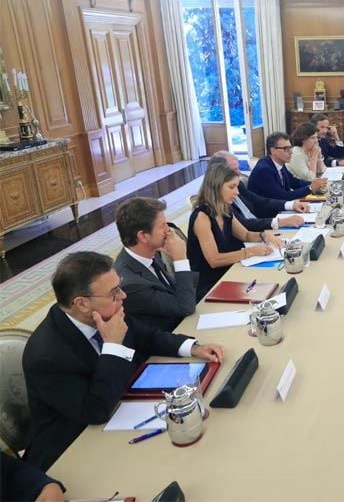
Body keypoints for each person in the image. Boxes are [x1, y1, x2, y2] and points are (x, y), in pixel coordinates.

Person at [22, 251, 225, 471]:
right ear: (81, 303)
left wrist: (192, 347)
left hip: (122, 409)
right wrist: (113, 346)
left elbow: (146, 336)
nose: (123, 296)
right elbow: (95, 411)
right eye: (114, 292)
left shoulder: (107, 310)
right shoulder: (46, 357)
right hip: (73, 449)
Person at [188, 163, 283, 300]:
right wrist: (250, 252)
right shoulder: (201, 217)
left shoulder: (224, 209)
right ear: (215, 187)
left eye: (237, 186)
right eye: (231, 187)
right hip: (210, 284)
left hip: (230, 271)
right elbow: (214, 260)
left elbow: (244, 234)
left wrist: (264, 235)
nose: (237, 192)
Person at [113, 197, 198, 332]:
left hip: (185, 323)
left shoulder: (152, 252)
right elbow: (185, 307)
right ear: (143, 236)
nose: (169, 230)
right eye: (162, 225)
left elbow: (180, 293)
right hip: (170, 338)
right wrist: (180, 258)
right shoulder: (130, 284)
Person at [207, 153, 304, 232]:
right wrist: (280, 222)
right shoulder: (218, 200)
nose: (239, 173)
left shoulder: (238, 184)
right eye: (235, 170)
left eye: (238, 168)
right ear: (219, 174)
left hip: (260, 228)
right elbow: (244, 224)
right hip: (251, 235)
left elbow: (258, 200)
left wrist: (291, 205)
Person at [248, 132, 327, 201]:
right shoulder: (264, 170)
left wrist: (317, 183)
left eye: (290, 147)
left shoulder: (280, 163)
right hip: (268, 215)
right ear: (273, 151)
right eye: (286, 149)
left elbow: (295, 183)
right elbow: (283, 196)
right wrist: (310, 188)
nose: (291, 152)